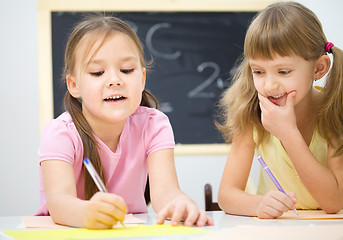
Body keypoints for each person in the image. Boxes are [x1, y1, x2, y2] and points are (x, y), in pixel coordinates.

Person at [36, 15, 213, 229]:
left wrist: (180, 204)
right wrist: (87, 213)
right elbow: (58, 202)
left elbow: (166, 192)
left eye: (127, 70)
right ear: (74, 85)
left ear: (142, 78)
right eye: (97, 72)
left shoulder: (155, 125)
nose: (115, 80)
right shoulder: (60, 134)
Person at [217, 2, 343, 219]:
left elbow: (334, 202)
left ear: (319, 68)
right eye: (258, 71)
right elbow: (227, 195)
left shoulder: (334, 111)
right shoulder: (252, 114)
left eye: (283, 72)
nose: (269, 86)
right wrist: (257, 205)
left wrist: (288, 133)